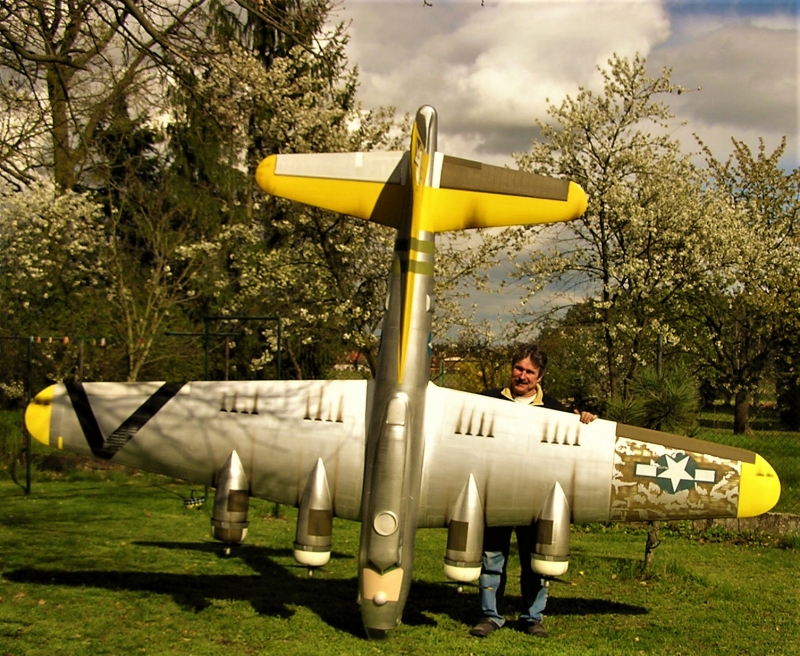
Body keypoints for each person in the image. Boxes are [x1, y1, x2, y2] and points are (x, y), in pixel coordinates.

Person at [470, 343, 597, 639]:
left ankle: (532, 616)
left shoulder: (555, 410)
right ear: (511, 368)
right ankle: (490, 615)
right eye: (519, 368)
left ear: (540, 377)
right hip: (496, 493)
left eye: (530, 372)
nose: (522, 376)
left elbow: (575, 440)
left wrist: (586, 420)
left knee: (534, 561)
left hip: (536, 498)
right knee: (492, 557)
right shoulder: (486, 400)